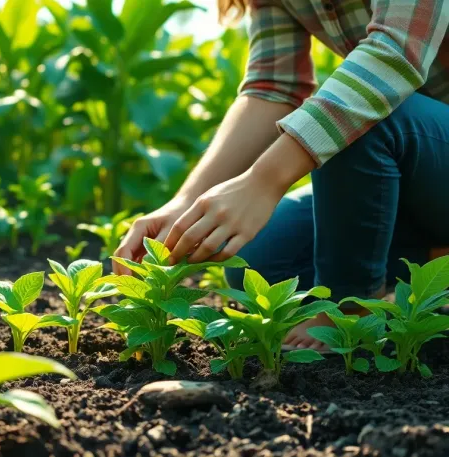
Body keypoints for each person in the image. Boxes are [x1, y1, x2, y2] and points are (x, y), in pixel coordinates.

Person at [114, 0, 449, 351]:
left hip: (420, 144)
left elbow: (392, 55)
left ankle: (349, 312)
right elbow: (273, 87)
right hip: (427, 169)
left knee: (359, 113)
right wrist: (185, 202)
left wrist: (263, 181)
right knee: (264, 258)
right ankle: (435, 264)